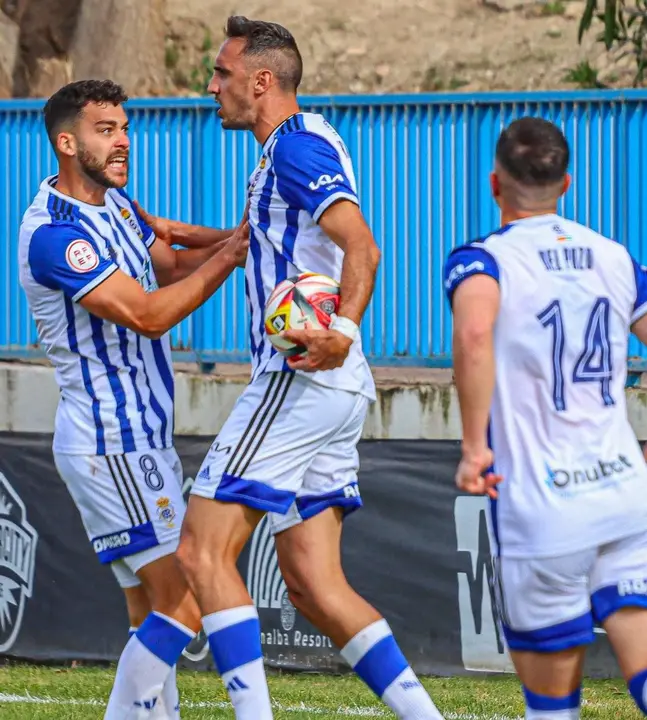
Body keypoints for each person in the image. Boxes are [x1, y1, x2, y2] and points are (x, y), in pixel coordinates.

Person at [148, 14, 444, 720]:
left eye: (221, 74)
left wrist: (341, 328)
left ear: (260, 81)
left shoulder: (292, 151)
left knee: (199, 552)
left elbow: (361, 247)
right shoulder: (295, 147)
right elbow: (269, 239)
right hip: (334, 387)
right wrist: (189, 234)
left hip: (301, 377)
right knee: (312, 585)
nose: (209, 86)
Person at [18, 79, 249, 719]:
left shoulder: (115, 206)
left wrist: (243, 234)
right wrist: (231, 255)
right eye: (105, 131)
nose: (122, 142)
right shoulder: (54, 234)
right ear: (67, 143)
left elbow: (168, 268)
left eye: (123, 128)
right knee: (190, 598)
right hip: (107, 439)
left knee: (150, 609)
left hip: (139, 436)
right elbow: (147, 314)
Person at [443, 116, 647, 719]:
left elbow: (475, 332)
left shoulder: (485, 259)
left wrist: (474, 448)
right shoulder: (614, 258)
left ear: (494, 183)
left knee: (552, 706)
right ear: (566, 184)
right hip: (623, 494)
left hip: (544, 505)